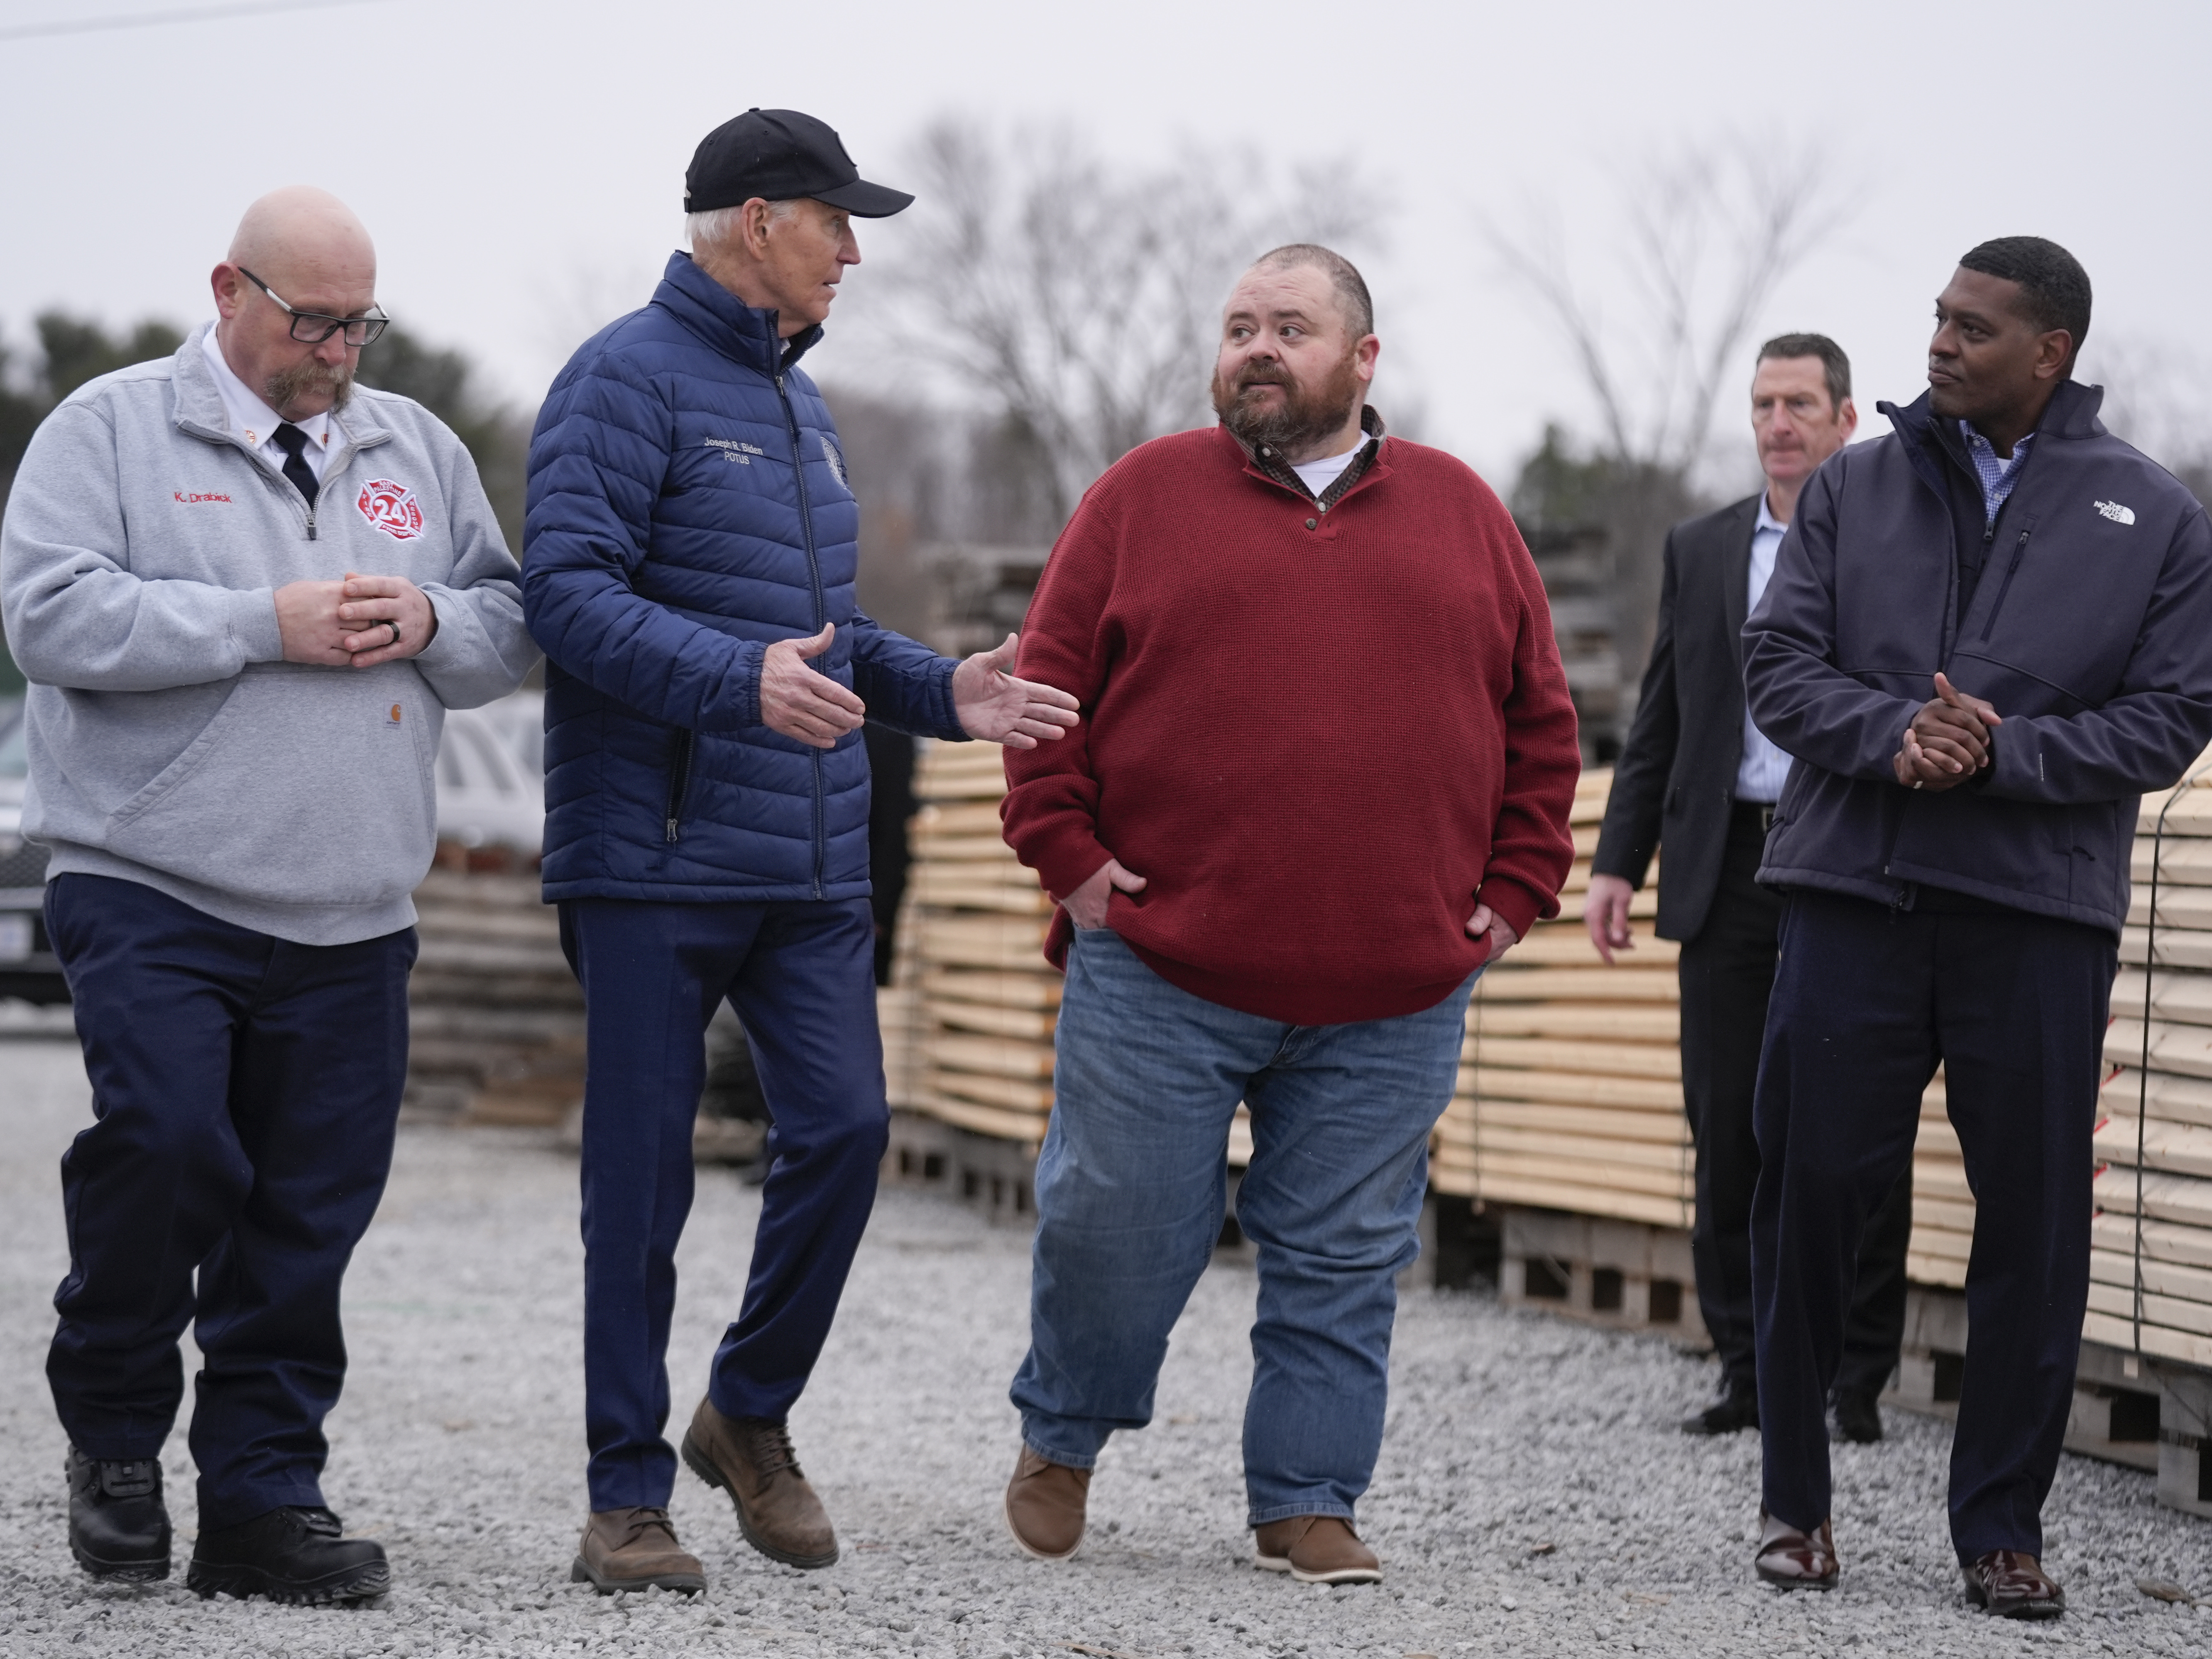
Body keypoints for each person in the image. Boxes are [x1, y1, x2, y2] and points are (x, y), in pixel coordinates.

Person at [522, 108, 1079, 1595]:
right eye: (838, 222)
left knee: (841, 1132)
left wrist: (942, 690)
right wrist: (733, 679)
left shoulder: (803, 406)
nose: (853, 250)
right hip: (652, 853)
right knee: (639, 1187)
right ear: (758, 221)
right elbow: (563, 599)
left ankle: (746, 1411)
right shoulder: (619, 381)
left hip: (809, 861)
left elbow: (824, 639)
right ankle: (627, 1497)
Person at [995, 245, 1581, 1585]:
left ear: (1363, 359)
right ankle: (1066, 1431)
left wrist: (1507, 901)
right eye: (1241, 327)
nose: (1257, 348)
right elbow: (1044, 691)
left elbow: (1542, 729)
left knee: (1347, 1257)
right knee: (1115, 1225)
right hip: (1162, 965)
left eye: (1292, 328)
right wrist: (1071, 861)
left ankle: (1307, 1498)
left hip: (1394, 989)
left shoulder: (1465, 512)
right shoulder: (1141, 496)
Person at [0, 187, 534, 1602]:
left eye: (363, 322)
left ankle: (260, 1497)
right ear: (228, 289)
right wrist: (260, 624)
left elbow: (505, 621)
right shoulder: (107, 430)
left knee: (309, 1214)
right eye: (314, 321)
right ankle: (115, 1439)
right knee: (169, 1149)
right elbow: (46, 614)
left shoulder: (415, 449)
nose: (342, 352)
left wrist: (430, 616)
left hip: (353, 911)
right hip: (153, 883)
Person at [1740, 238, 2212, 1616]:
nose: (1940, 343)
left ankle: (2001, 1527)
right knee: (1813, 1192)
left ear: (2049, 351)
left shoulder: (2156, 516)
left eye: (1974, 327)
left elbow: (2174, 715)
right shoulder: (1854, 483)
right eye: (1939, 319)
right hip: (1853, 896)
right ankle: (1795, 1504)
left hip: (2035, 914)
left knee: (2035, 1226)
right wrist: (1897, 737)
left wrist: (2002, 753)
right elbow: (1779, 662)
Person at [1588, 335, 1911, 1443]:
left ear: (1845, 417)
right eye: (1764, 402)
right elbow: (1662, 721)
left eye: (1800, 403)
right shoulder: (1704, 546)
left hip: (1851, 862)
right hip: (1727, 866)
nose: (1778, 422)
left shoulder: (1901, 541)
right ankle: (1746, 1368)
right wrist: (1618, 864)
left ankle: (1853, 1376)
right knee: (1727, 1127)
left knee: (1854, 1128)